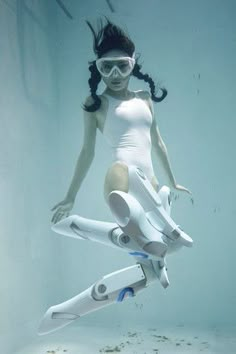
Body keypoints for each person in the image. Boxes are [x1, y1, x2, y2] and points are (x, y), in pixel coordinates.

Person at [51, 17, 192, 225]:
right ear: (99, 70)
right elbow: (87, 152)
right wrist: (71, 196)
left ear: (132, 67)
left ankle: (139, 237)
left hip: (150, 181)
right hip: (121, 176)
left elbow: (158, 143)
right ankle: (127, 229)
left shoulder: (145, 98)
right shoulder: (96, 104)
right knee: (140, 230)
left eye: (121, 66)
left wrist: (173, 181)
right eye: (107, 67)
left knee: (159, 246)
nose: (114, 74)